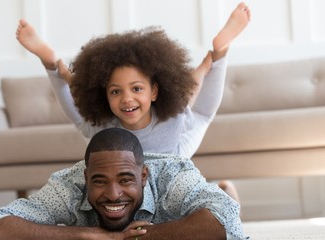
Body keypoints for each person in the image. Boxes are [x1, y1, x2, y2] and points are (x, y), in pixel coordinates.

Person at [16, 3, 251, 201]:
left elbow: (191, 91)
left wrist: (203, 69)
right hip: (139, 173)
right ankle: (52, 62)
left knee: (198, 109)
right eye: (115, 92)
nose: (127, 98)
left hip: (173, 156)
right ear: (104, 95)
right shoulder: (104, 127)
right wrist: (59, 71)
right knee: (77, 98)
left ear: (155, 92)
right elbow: (75, 103)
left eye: (137, 88)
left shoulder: (172, 115)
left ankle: (218, 53)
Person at [0, 128, 246, 240]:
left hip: (187, 197)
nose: (114, 194)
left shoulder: (172, 175)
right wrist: (89, 235)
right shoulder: (68, 186)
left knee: (227, 204)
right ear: (86, 177)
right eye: (100, 181)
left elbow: (228, 222)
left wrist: (136, 239)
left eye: (126, 180)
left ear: (143, 175)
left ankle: (224, 189)